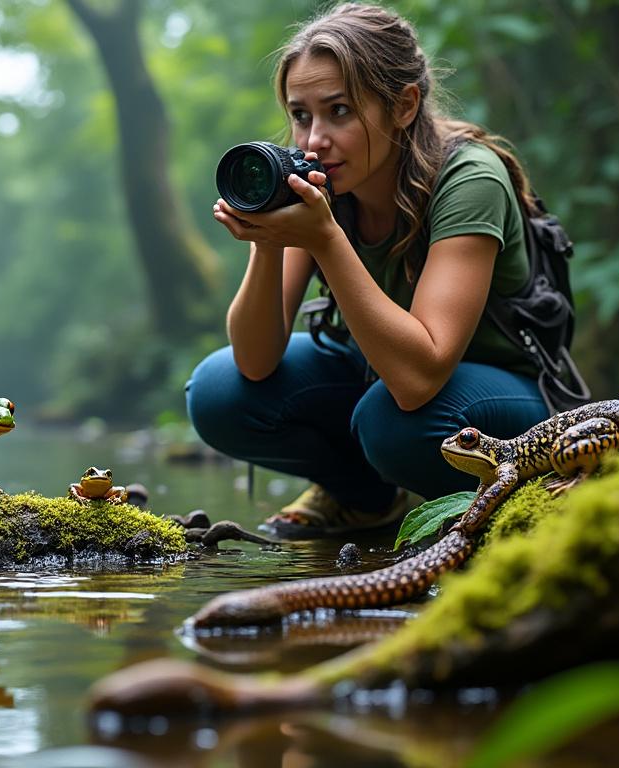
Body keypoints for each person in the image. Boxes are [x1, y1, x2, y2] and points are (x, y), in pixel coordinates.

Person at [187, 2, 556, 538]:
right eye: (300, 115)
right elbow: (255, 361)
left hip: (499, 395)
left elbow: (418, 378)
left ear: (404, 105)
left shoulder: (471, 178)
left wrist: (325, 240)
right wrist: (267, 241)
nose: (314, 140)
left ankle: (496, 513)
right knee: (218, 391)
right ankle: (366, 502)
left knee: (394, 420)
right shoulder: (319, 180)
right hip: (381, 377)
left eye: (339, 111)